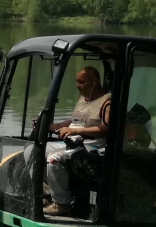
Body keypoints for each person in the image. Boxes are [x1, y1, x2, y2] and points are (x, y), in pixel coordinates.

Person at [42, 66, 111, 216]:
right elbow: (73, 121)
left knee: (54, 158)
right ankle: (48, 195)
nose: (77, 86)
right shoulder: (82, 99)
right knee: (34, 151)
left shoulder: (107, 102)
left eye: (81, 82)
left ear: (94, 82)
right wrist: (51, 126)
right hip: (70, 141)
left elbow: (106, 129)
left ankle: (62, 205)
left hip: (90, 146)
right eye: (76, 82)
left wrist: (76, 131)